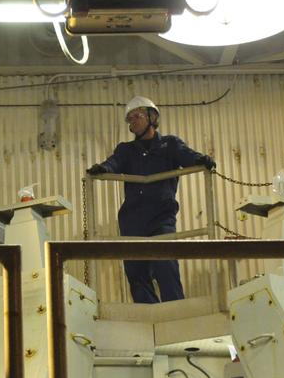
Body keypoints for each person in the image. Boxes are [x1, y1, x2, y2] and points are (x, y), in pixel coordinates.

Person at [86, 95, 215, 304]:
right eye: (129, 119)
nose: (133, 122)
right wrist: (103, 169)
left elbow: (187, 155)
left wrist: (201, 160)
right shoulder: (126, 150)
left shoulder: (169, 144)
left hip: (161, 216)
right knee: (136, 272)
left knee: (166, 263)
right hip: (132, 219)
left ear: (152, 117)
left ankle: (175, 309)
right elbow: (115, 162)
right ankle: (148, 314)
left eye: (137, 116)